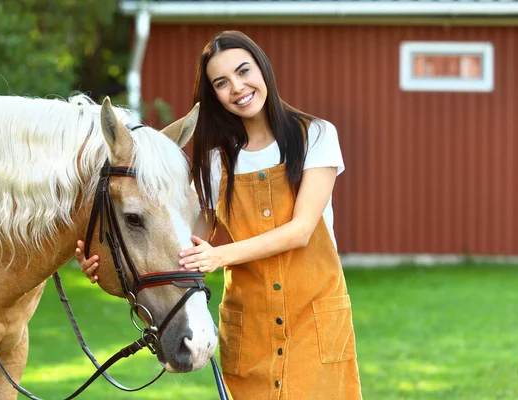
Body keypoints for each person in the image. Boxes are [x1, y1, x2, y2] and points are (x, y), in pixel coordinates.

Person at [76, 30, 362, 399]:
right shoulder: (215, 163)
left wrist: (220, 256)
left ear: (263, 70)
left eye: (244, 72)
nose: (237, 87)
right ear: (214, 95)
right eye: (222, 83)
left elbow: (301, 231)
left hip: (314, 319)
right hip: (250, 326)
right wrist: (112, 268)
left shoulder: (316, 136)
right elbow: (188, 244)